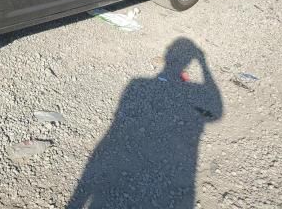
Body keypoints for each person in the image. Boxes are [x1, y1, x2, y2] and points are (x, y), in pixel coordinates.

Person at [69, 38, 223, 208]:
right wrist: (203, 64)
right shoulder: (140, 84)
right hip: (172, 162)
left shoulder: (137, 84)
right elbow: (216, 112)